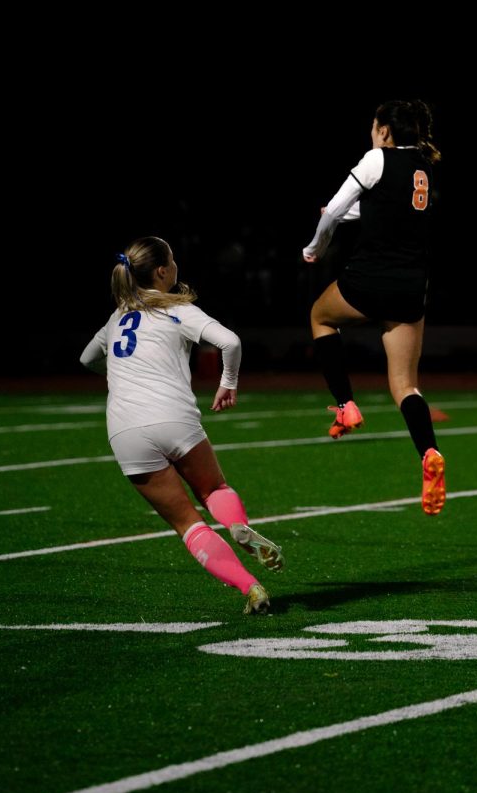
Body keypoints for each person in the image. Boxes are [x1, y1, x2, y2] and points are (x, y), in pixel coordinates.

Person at [80, 235, 283, 614]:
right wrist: (229, 383)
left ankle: (251, 587)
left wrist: (119, 372)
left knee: (189, 525)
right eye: (172, 260)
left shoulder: (116, 317)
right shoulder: (178, 309)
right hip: (173, 416)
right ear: (162, 271)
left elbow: (87, 358)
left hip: (124, 430)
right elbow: (231, 342)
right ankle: (237, 525)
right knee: (213, 489)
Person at [302, 100, 446, 515]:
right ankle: (429, 452)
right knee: (405, 386)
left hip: (369, 278)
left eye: (373, 126)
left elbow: (332, 213)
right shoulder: (423, 165)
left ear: (384, 131)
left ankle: (345, 406)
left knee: (320, 316)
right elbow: (382, 210)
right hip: (410, 288)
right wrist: (340, 215)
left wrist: (315, 246)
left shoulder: (375, 158)